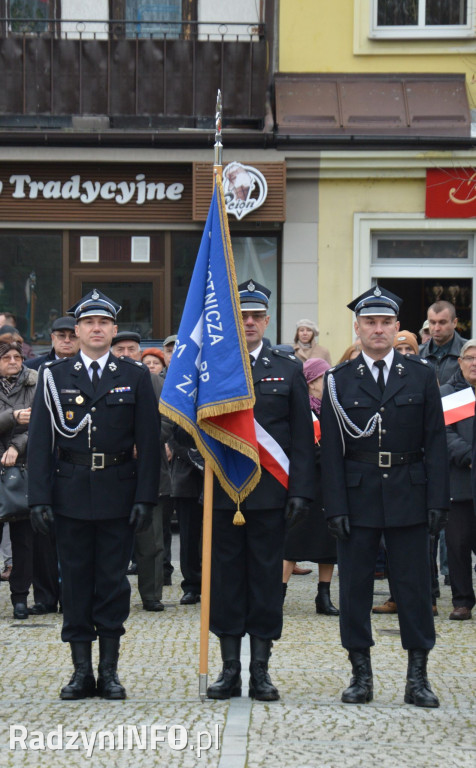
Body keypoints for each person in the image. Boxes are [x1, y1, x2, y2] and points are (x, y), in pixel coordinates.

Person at [320, 285, 449, 708]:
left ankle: (418, 677)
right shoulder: (338, 381)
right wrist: (334, 505)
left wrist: (437, 501)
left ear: (397, 327)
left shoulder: (421, 375)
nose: (378, 329)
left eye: (385, 322)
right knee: (355, 588)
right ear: (357, 329)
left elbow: (435, 443)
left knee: (413, 587)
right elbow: (332, 453)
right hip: (357, 498)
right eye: (369, 323)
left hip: (410, 493)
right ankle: (361, 675)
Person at [27, 289, 160, 700]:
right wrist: (39, 498)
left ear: (114, 329)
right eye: (88, 323)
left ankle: (110, 671)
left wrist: (145, 498)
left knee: (113, 583)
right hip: (69, 493)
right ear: (77, 330)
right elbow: (40, 441)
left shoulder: (135, 375)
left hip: (119, 492)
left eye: (103, 323)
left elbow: (150, 444)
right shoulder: (54, 377)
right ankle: (81, 671)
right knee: (76, 584)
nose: (96, 328)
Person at [207, 279, 315, 702]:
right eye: (242, 315)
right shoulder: (213, 367)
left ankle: (261, 671)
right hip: (221, 493)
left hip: (271, 494)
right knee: (226, 582)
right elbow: (189, 430)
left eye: (256, 316)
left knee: (266, 581)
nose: (249, 322)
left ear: (267, 320)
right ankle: (229, 668)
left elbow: (303, 438)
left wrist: (301, 492)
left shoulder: (287, 368)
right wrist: (206, 466)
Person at [110, 330, 165, 613]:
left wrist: (148, 444)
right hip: (115, 469)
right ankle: (111, 591)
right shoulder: (107, 377)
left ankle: (151, 594)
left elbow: (167, 417)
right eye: (120, 349)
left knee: (151, 539)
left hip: (146, 467)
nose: (126, 354)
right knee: (113, 537)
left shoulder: (151, 378)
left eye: (132, 349)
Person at [283, 357, 338, 615]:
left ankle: (323, 596)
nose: (327, 382)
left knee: (329, 543)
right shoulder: (300, 407)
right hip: (304, 483)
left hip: (329, 483)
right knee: (292, 541)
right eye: (323, 377)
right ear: (311, 380)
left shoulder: (333, 407)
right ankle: (277, 594)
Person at [0, 339, 38, 618]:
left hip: (23, 467)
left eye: (17, 357)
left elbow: (39, 422)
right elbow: (20, 419)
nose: (13, 361)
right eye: (6, 358)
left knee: (24, 538)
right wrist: (12, 416)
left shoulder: (33, 384)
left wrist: (16, 447)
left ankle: (20, 597)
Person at [440, 339, 476, 621]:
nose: (474, 363)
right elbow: (445, 433)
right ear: (460, 362)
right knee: (458, 543)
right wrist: (469, 455)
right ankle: (462, 600)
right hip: (459, 480)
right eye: (470, 358)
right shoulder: (448, 393)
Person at [420, 300, 465, 384]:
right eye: (432, 322)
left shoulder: (469, 353)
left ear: (455, 323)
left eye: (442, 322)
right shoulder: (418, 353)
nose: (436, 328)